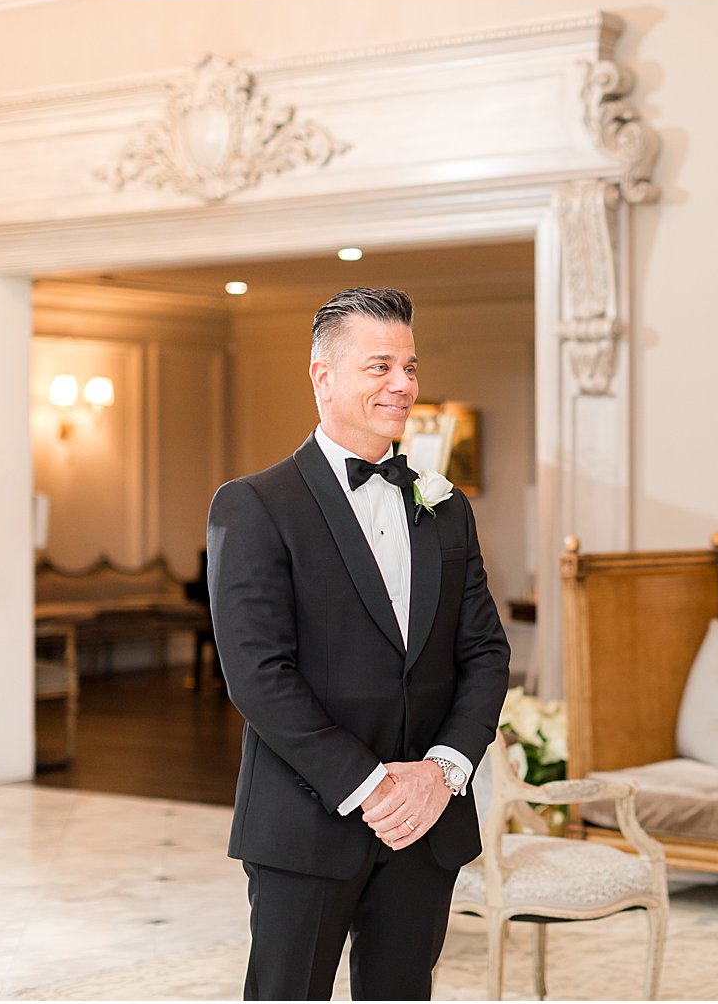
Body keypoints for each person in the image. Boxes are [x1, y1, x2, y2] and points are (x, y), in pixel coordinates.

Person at [206, 287, 510, 1000]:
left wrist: (441, 772)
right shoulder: (253, 505)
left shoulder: (444, 505)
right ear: (323, 376)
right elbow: (257, 674)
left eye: (409, 366)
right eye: (380, 366)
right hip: (306, 821)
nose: (402, 384)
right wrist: (373, 786)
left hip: (425, 826)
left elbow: (486, 653)